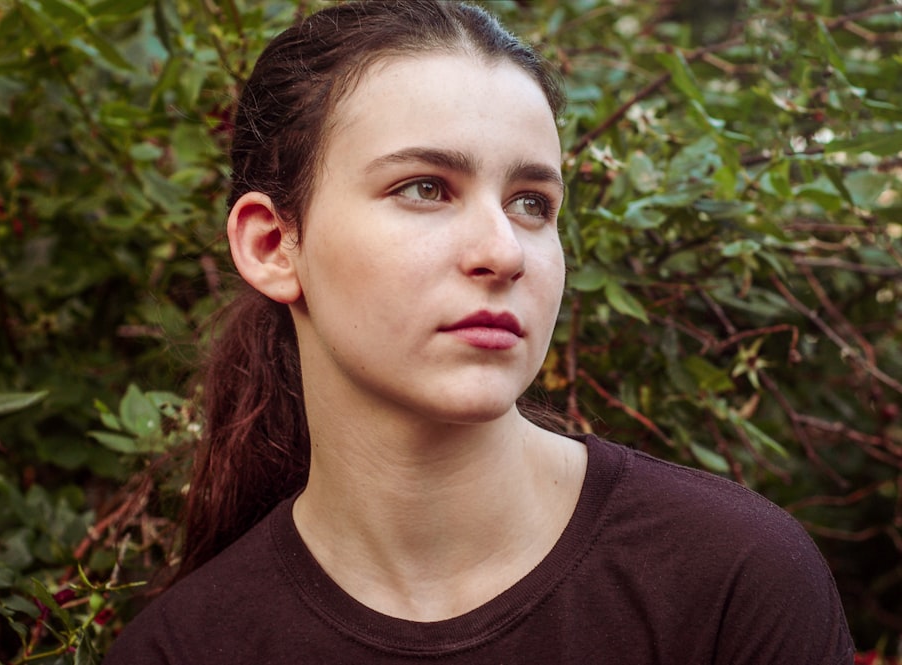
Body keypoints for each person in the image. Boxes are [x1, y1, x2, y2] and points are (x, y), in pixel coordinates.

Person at [104, 1, 854, 662]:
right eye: (425, 188)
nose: (502, 251)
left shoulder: (731, 578)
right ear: (273, 246)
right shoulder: (183, 649)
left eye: (533, 202)